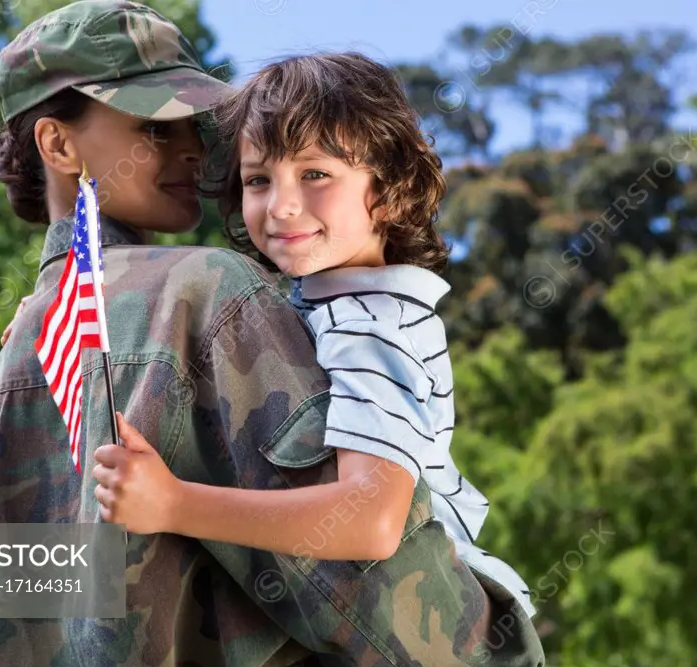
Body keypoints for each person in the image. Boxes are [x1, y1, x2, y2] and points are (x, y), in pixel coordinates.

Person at [0, 1, 545, 667]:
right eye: (155, 126)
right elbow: (378, 591)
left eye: (197, 128)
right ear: (60, 146)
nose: (193, 151)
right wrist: (502, 657)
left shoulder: (17, 353)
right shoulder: (211, 293)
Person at [90, 52, 537, 624]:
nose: (281, 206)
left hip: (430, 623)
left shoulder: (373, 326)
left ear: (389, 188)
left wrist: (174, 504)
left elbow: (373, 520)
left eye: (316, 174)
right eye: (258, 180)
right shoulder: (320, 300)